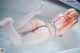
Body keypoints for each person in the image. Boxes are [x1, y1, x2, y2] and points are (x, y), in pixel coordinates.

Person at [0, 3, 78, 46]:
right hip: (45, 33)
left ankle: (35, 12)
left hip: (41, 23)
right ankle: (8, 29)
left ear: (67, 13)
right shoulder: (67, 28)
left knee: (16, 29)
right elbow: (59, 33)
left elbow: (54, 21)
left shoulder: (60, 15)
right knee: (20, 42)